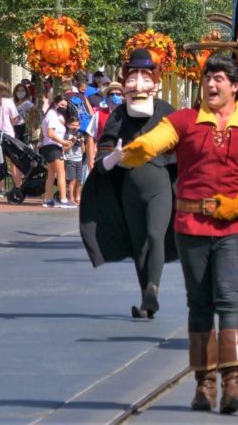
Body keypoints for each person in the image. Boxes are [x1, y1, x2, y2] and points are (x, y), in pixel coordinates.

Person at [119, 53, 238, 414]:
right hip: (191, 227)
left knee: (230, 299)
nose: (210, 84)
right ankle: (204, 386)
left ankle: (233, 384)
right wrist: (141, 148)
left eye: (219, 78)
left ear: (235, 86)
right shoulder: (184, 121)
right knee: (200, 303)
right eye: (208, 78)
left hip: (234, 227)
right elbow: (158, 138)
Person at [85, 50, 178, 320]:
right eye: (133, 77)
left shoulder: (166, 112)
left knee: (155, 235)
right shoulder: (118, 116)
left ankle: (153, 289)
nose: (138, 85)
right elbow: (101, 164)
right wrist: (114, 157)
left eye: (146, 77)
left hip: (160, 186)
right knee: (139, 244)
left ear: (155, 82)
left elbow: (186, 145)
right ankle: (145, 300)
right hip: (129, 190)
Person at [40, 95, 71, 208]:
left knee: (51, 174)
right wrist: (63, 142)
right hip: (53, 147)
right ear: (55, 103)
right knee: (61, 173)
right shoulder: (52, 115)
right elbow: (51, 133)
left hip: (50, 146)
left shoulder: (56, 115)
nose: (64, 107)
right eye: (62, 105)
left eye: (65, 106)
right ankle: (63, 199)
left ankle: (47, 199)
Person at [61, 118, 85, 207]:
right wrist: (72, 141)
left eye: (77, 125)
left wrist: (82, 142)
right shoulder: (66, 136)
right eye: (73, 125)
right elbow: (64, 150)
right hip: (70, 160)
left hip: (79, 160)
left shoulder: (80, 135)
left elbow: (83, 151)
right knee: (72, 181)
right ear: (68, 125)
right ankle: (71, 198)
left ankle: (78, 197)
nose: (75, 127)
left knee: (79, 181)